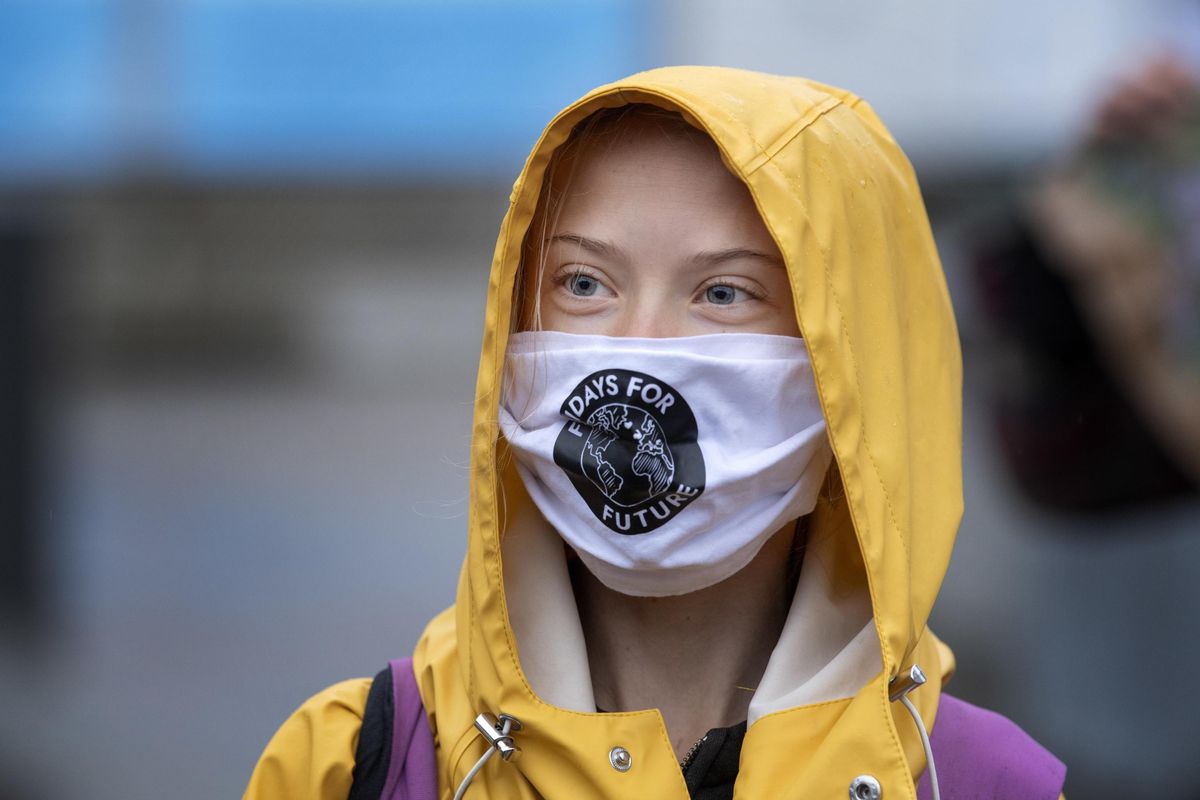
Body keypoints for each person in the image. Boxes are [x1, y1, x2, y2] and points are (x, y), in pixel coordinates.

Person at [244, 67, 1066, 800]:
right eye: (584, 282)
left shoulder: (982, 782)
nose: (642, 344)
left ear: (858, 368)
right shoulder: (354, 763)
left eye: (723, 293)